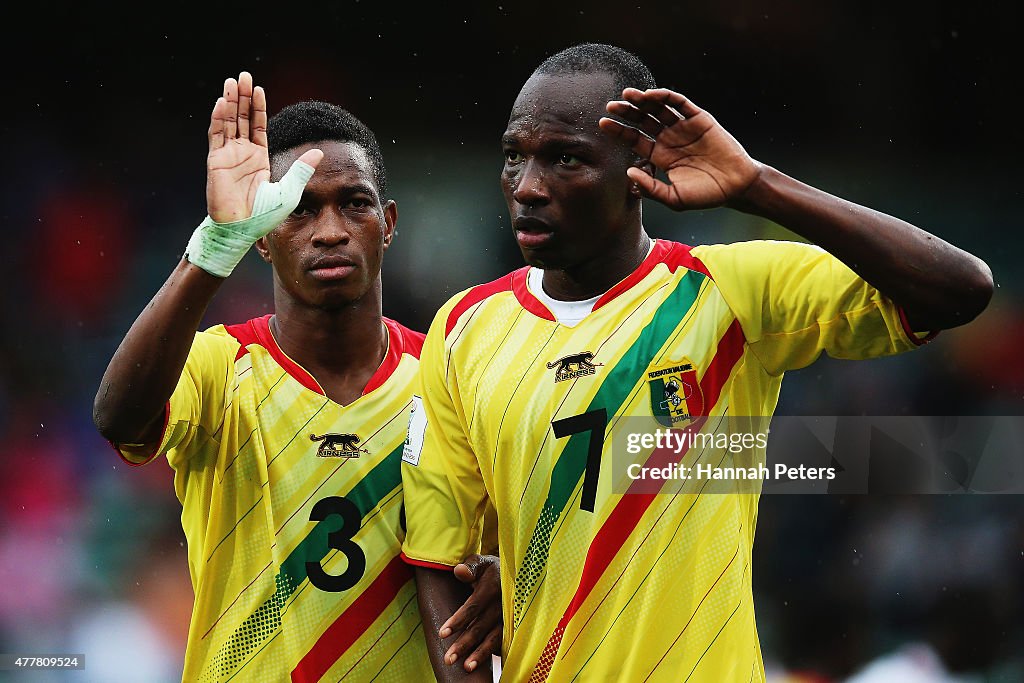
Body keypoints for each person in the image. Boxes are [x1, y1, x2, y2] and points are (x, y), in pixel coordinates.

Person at [400, 44, 993, 682]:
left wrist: (758, 187)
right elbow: (440, 561)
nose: (528, 186)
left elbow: (960, 290)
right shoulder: (465, 327)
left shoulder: (727, 290)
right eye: (515, 154)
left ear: (636, 165)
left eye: (565, 158)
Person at [93, 72, 500, 682]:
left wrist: (504, 570)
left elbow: (496, 541)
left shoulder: (448, 377)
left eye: (354, 204)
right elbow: (118, 419)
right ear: (262, 236)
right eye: (299, 210)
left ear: (387, 223)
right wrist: (215, 247)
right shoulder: (219, 364)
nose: (330, 231)